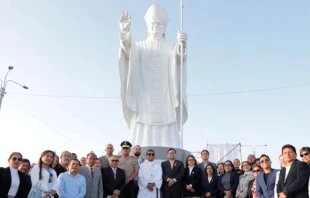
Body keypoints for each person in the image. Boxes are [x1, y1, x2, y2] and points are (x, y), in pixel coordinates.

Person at [118, 3, 188, 148]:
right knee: (143, 120)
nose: (156, 27)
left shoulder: (170, 45)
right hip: (144, 94)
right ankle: (140, 146)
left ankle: (170, 149)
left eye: (159, 24)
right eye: (153, 24)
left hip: (165, 94)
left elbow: (179, 58)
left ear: (164, 28)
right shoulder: (140, 46)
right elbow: (128, 50)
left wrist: (181, 45)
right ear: (148, 27)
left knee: (167, 118)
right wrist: (125, 31)